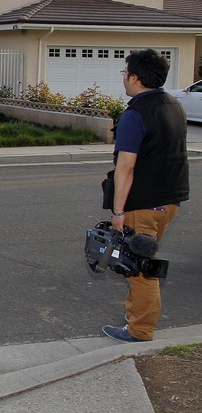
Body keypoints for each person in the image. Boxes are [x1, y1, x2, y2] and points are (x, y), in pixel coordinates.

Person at [102, 48, 189, 343]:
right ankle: (134, 320)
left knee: (140, 270)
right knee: (139, 263)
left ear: (136, 78)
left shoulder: (135, 114)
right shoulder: (173, 105)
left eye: (125, 73)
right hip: (169, 200)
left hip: (143, 203)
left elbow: (126, 166)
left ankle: (140, 330)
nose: (124, 79)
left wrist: (118, 212)